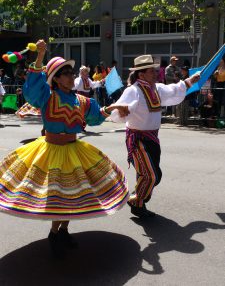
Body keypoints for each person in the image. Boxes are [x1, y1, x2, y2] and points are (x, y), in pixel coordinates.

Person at [0, 39, 129, 258]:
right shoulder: (47, 97)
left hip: (74, 149)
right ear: (56, 79)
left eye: (71, 72)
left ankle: (64, 231)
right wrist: (40, 56)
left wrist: (113, 108)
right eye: (66, 73)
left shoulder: (81, 100)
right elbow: (31, 90)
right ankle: (54, 233)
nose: (71, 76)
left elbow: (96, 118)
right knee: (59, 197)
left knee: (73, 196)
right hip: (50, 151)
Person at [110, 54, 200, 218]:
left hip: (152, 138)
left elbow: (174, 90)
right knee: (151, 175)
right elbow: (116, 113)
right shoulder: (133, 90)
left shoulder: (156, 88)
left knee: (151, 175)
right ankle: (135, 200)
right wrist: (124, 110)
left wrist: (190, 81)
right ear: (141, 74)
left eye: (154, 71)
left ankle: (139, 203)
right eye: (152, 71)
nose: (155, 74)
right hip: (137, 140)